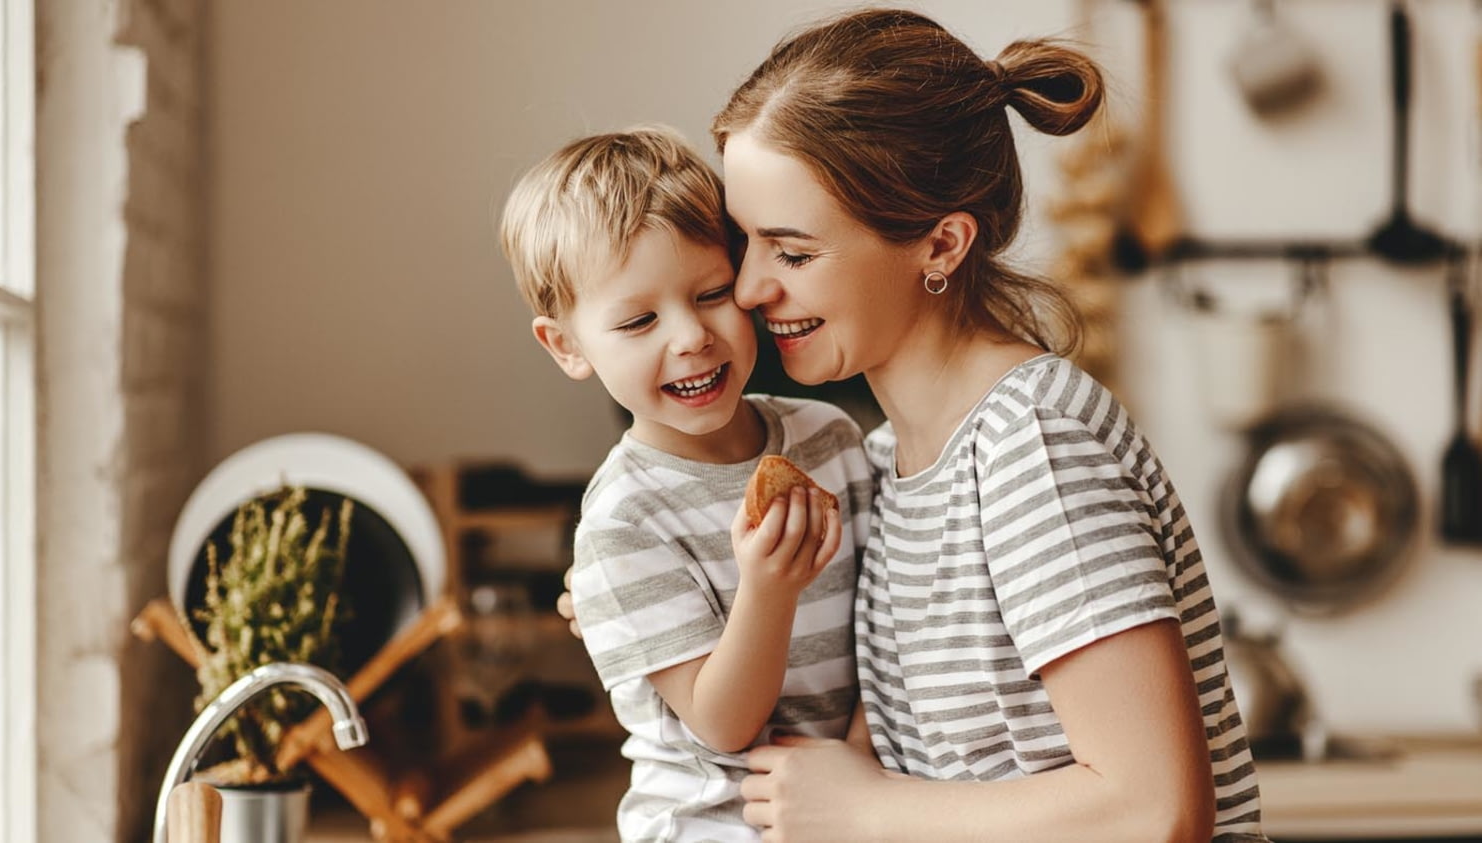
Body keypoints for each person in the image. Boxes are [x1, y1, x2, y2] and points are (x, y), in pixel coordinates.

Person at [560, 9, 1267, 842]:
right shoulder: (884, 463)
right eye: (744, 241)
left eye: (792, 252)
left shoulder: (1030, 447)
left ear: (940, 245)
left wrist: (864, 810)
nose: (748, 289)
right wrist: (623, 593)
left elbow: (1154, 810)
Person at [499, 126, 874, 842]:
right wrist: (767, 589)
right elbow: (723, 724)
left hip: (854, 802)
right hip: (711, 825)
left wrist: (861, 750)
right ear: (567, 345)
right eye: (639, 319)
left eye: (711, 294)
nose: (691, 336)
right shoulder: (623, 522)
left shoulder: (831, 436)